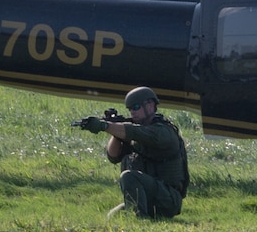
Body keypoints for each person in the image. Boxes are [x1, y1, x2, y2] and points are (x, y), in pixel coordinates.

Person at [80, 86, 189, 219]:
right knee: (113, 217)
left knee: (128, 176)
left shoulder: (164, 132)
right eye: (130, 108)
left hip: (168, 198)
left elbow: (138, 133)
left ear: (150, 106)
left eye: (136, 107)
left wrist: (105, 126)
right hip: (147, 197)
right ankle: (137, 218)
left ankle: (140, 220)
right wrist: (115, 133)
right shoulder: (135, 133)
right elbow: (113, 156)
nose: (132, 112)